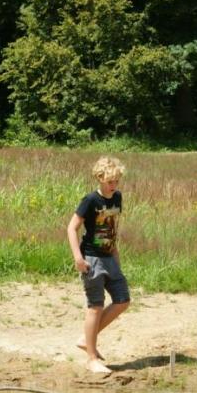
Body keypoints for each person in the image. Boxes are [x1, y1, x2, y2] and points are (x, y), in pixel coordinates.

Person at [66, 157, 130, 374]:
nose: (114, 185)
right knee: (96, 306)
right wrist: (78, 258)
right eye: (110, 181)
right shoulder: (90, 200)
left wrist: (116, 255)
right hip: (91, 258)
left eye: (117, 181)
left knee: (123, 300)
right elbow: (71, 228)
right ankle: (91, 358)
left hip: (110, 256)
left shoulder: (118, 198)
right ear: (100, 178)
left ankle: (87, 339)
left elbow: (113, 228)